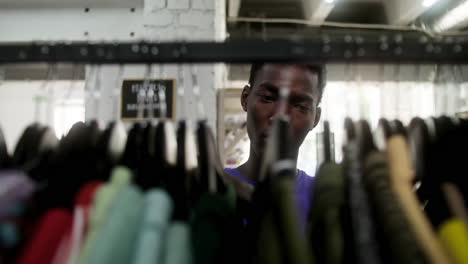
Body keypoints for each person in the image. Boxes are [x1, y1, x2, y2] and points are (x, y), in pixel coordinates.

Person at [224, 62, 325, 227]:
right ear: (245, 99)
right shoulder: (215, 192)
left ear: (316, 118)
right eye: (267, 98)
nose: (279, 117)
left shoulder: (324, 199)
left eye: (300, 107)